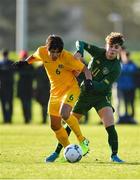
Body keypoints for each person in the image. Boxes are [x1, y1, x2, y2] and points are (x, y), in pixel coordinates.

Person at [47, 32, 125, 163]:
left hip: (101, 96)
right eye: (111, 46)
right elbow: (80, 42)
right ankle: (56, 152)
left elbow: (102, 86)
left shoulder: (116, 67)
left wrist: (89, 82)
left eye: (116, 47)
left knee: (110, 123)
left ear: (119, 49)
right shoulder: (99, 52)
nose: (112, 50)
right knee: (69, 124)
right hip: (85, 95)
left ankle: (114, 155)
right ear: (106, 46)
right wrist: (80, 51)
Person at [12, 35, 92, 161]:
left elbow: (86, 70)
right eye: (52, 51)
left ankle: (82, 140)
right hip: (55, 93)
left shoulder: (67, 57)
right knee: (54, 126)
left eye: (57, 52)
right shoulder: (41, 51)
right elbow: (34, 57)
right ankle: (68, 150)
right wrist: (26, 62)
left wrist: (88, 81)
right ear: (47, 48)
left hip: (71, 88)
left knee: (64, 113)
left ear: (61, 51)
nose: (55, 55)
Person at [116, 49, 138, 124]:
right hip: (121, 87)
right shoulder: (119, 65)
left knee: (131, 103)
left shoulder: (133, 65)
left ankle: (131, 118)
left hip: (131, 87)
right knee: (123, 103)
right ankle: (123, 118)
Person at [16, 50, 34, 124]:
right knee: (25, 104)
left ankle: (28, 118)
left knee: (27, 104)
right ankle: (27, 118)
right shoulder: (30, 66)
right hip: (24, 88)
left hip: (26, 88)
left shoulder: (22, 66)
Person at [0, 49, 14, 123]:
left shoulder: (0, 63)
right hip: (10, 86)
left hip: (2, 86)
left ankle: (5, 119)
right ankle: (9, 119)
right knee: (10, 103)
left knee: (4, 103)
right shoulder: (11, 63)